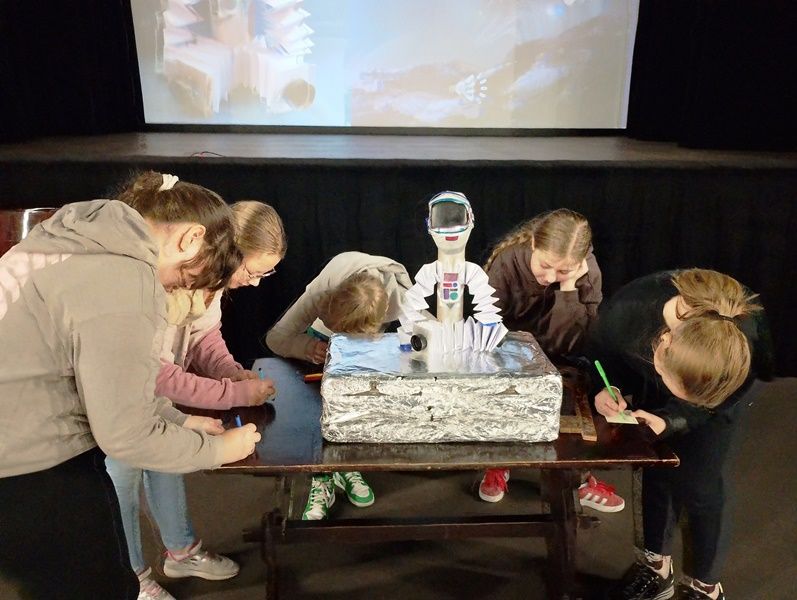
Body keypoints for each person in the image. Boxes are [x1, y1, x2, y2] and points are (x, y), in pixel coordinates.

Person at [0, 172, 261, 599]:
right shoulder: (125, 276)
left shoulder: (77, 238)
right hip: (31, 466)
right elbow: (124, 434)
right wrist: (220, 451)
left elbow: (100, 374)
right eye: (188, 279)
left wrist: (179, 419)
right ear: (190, 238)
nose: (175, 288)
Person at [106, 200, 286, 599]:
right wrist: (233, 393)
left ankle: (181, 552)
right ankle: (131, 580)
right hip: (115, 397)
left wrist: (230, 371)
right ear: (227, 253)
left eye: (266, 274)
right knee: (122, 477)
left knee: (167, 458)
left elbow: (204, 336)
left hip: (147, 394)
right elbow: (157, 373)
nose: (256, 283)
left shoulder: (210, 283)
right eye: (253, 271)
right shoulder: (158, 282)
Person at [587, 269, 773, 600]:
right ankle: (655, 568)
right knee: (655, 473)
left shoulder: (744, 343)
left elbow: (723, 398)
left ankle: (705, 585)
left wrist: (673, 419)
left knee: (701, 486)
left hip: (714, 400)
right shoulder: (627, 312)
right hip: (661, 380)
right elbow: (604, 354)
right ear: (661, 344)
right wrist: (607, 386)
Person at [479, 209, 618, 508]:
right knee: (503, 393)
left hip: (561, 357)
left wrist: (568, 290)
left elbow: (570, 344)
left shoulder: (588, 273)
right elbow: (487, 331)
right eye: (545, 266)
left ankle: (577, 477)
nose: (551, 277)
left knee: (570, 391)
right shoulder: (507, 263)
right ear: (533, 245)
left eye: (564, 271)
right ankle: (499, 462)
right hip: (509, 354)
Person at [266, 251, 413, 520]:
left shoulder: (402, 299)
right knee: (317, 414)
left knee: (353, 413)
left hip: (366, 349)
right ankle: (321, 477)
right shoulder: (323, 292)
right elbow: (276, 339)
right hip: (320, 341)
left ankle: (346, 469)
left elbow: (426, 336)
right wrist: (308, 347)